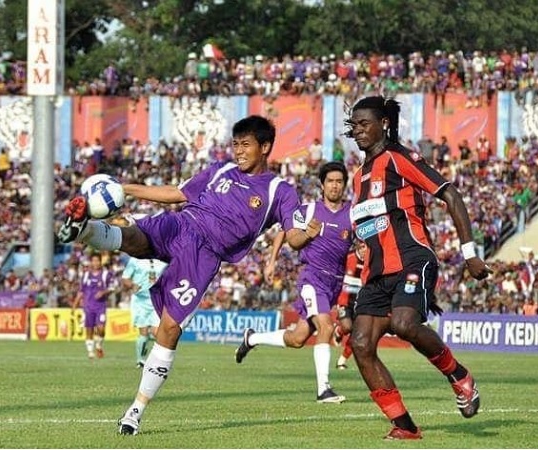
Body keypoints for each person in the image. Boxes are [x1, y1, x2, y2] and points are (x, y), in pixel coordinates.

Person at [56, 115, 302, 435]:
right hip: (182, 224)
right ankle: (81, 228)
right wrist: (123, 189)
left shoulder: (278, 190)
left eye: (246, 145)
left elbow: (293, 234)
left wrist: (305, 234)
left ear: (265, 147)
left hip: (203, 255)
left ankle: (135, 411)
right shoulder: (220, 170)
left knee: (169, 329)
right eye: (235, 145)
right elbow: (177, 193)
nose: (238, 151)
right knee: (133, 237)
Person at [342, 96, 491, 440]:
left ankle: (459, 376)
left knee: (404, 323)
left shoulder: (399, 158)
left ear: (384, 124)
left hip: (412, 259)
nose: (359, 130)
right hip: (376, 275)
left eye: (365, 123)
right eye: (355, 124)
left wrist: (469, 254)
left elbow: (451, 195)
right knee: (361, 344)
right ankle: (404, 426)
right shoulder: (358, 177)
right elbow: (367, 227)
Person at [234, 161, 352, 404]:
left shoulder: (352, 212)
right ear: (322, 184)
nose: (334, 186)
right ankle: (324, 390)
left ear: (344, 185)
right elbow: (287, 234)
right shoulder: (308, 210)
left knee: (298, 338)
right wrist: (273, 259)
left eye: (339, 181)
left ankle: (252, 338)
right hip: (312, 278)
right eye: (330, 181)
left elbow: (361, 240)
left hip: (334, 283)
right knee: (326, 328)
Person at [122, 253, 167, 368]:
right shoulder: (135, 259)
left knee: (157, 332)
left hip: (157, 300)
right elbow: (125, 278)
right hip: (140, 300)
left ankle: (155, 361)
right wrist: (132, 285)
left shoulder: (162, 259)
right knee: (143, 332)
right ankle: (140, 361)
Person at [70, 252, 114, 359]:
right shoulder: (85, 275)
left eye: (97, 261)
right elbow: (81, 291)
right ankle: (90, 352)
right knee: (89, 329)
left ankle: (98, 345)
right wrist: (75, 304)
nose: (95, 263)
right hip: (88, 307)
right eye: (93, 261)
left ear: (100, 262)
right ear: (91, 262)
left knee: (101, 329)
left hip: (100, 307)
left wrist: (103, 292)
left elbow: (112, 288)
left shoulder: (106, 274)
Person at [334, 244, 365, 370]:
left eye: (366, 247)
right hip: (345, 301)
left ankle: (341, 361)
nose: (365, 250)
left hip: (360, 303)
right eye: (362, 247)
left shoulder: (371, 262)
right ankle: (339, 330)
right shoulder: (349, 258)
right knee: (347, 327)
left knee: (356, 334)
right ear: (358, 247)